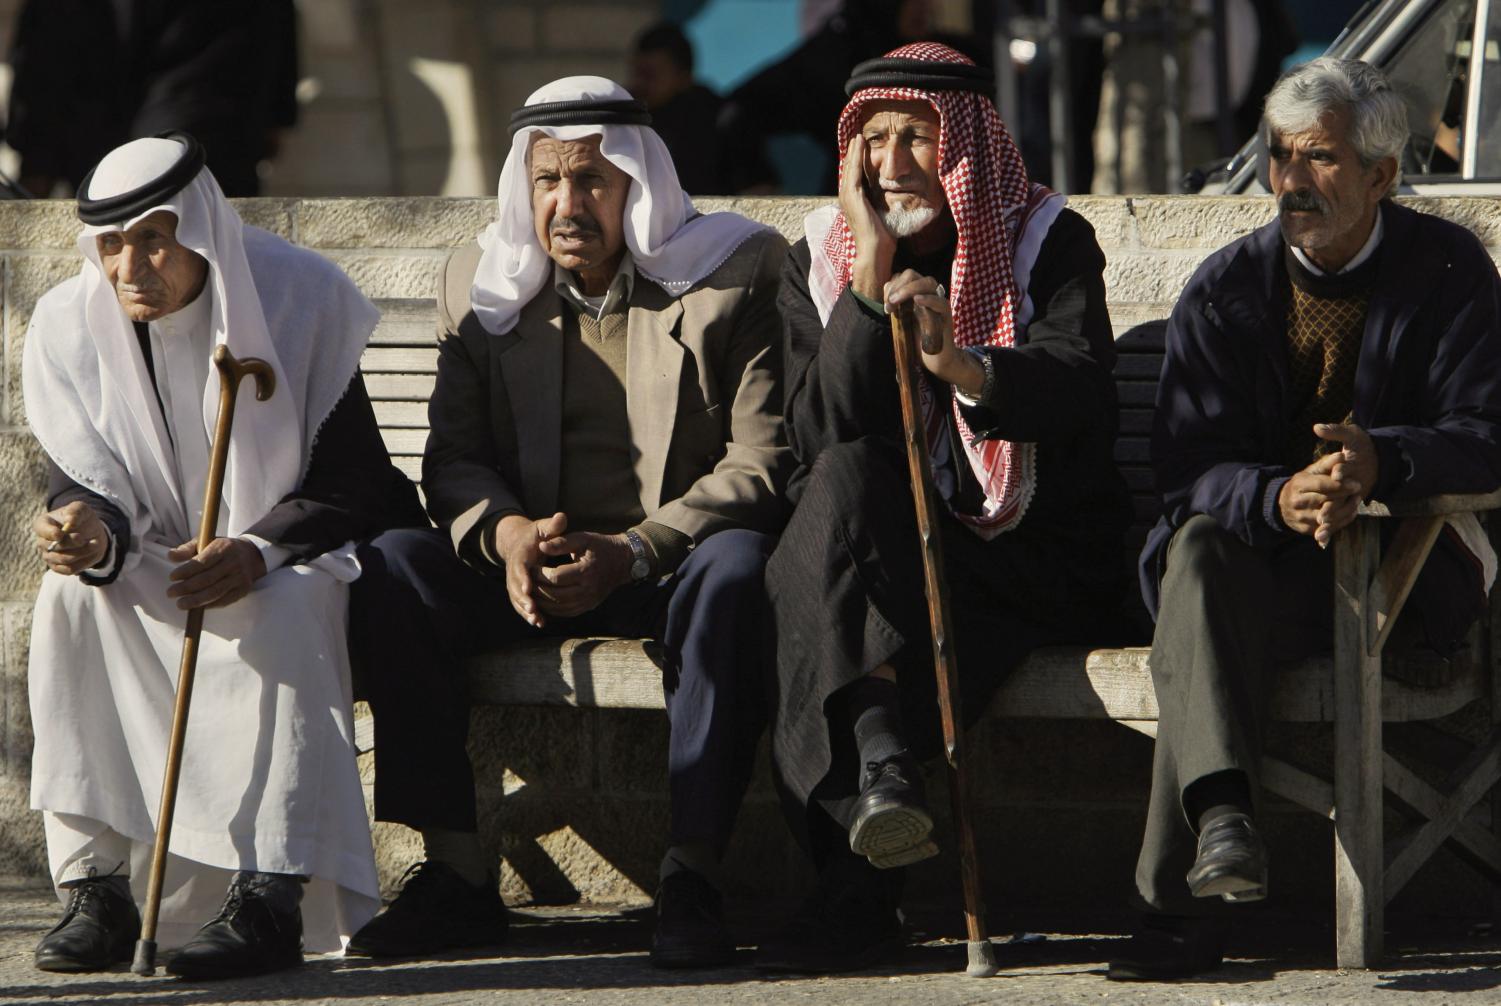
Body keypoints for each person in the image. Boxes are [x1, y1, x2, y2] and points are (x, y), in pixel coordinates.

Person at [346, 76, 792, 970]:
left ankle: (691, 872)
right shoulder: (480, 283)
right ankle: (457, 874)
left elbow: (763, 460)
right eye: (547, 181)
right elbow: (454, 457)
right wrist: (508, 537)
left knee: (739, 571)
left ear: (638, 182)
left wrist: (633, 551)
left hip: (668, 562)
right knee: (393, 566)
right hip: (531, 566)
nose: (565, 203)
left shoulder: (734, 271)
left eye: (591, 180)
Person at [1107, 58, 1501, 981]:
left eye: (1318, 159)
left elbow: (1487, 434)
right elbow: (1186, 470)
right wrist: (1276, 497)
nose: (1289, 182)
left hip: (1407, 575)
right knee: (1198, 556)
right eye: (1279, 156)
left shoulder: (1449, 270)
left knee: (1194, 627)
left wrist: (1383, 463)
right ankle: (1225, 823)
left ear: (1381, 175)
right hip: (1257, 572)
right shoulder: (1226, 287)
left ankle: (1176, 911)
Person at [758, 42, 1132, 973]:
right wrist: (868, 274)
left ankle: (854, 893)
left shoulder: (1045, 236)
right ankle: (880, 769)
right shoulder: (823, 256)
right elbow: (819, 434)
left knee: (819, 595)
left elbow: (1079, 386)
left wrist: (960, 364)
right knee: (839, 491)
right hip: (889, 557)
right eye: (873, 141)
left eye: (915, 137)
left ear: (961, 145)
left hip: (1027, 560)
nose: (892, 165)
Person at [24, 132, 425, 979]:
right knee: (69, 601)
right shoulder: (67, 323)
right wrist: (87, 532)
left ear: (200, 229)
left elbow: (357, 480)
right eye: (112, 244)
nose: (130, 265)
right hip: (158, 557)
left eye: (153, 238)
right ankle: (97, 891)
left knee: (282, 606)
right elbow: (80, 478)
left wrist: (256, 548)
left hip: (289, 559)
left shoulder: (298, 298)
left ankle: (270, 896)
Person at [5, 0, 298, 197]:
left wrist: (37, 156)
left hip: (137, 134)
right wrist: (278, 115)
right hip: (214, 129)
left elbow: (49, 46)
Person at [627, 22, 727, 195]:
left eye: (650, 75)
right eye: (637, 73)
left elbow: (758, 191)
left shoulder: (719, 119)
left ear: (683, 77)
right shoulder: (628, 115)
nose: (639, 84)